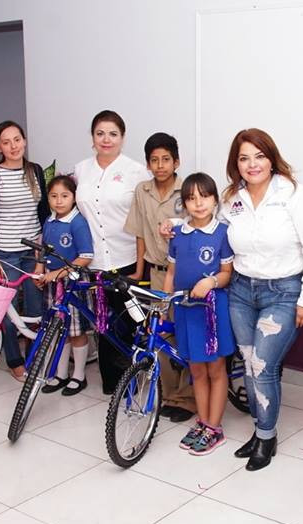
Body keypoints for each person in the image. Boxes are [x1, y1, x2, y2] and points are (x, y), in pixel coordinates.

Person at [223, 128, 303, 471]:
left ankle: (266, 437)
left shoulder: (293, 194)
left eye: (259, 156)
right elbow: (211, 226)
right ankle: (259, 430)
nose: (252, 164)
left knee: (262, 366)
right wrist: (176, 224)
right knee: (248, 363)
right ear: (236, 164)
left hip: (283, 293)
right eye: (244, 158)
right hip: (241, 291)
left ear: (271, 159)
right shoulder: (232, 198)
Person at [74, 110, 148, 394]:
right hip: (94, 261)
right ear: (92, 137)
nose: (106, 139)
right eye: (100, 133)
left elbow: (143, 221)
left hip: (128, 259)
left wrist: (140, 266)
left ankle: (131, 381)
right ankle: (111, 384)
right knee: (103, 323)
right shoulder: (81, 169)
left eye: (113, 134)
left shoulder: (136, 171)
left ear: (122, 138)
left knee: (128, 323)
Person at [124, 132, 195, 422]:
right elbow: (140, 231)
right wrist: (139, 270)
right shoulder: (142, 191)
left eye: (166, 159)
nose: (160, 165)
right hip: (156, 274)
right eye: (154, 160)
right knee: (161, 333)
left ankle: (187, 398)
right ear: (148, 164)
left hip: (186, 276)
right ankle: (169, 394)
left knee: (187, 334)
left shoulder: (188, 190)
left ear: (176, 162)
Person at [163, 173, 235, 455]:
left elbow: (227, 272)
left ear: (215, 200)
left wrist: (211, 282)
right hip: (184, 310)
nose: (199, 203)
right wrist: (165, 304)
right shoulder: (177, 234)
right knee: (195, 368)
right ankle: (203, 422)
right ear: (184, 204)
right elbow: (171, 272)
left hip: (212, 311)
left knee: (215, 369)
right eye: (191, 199)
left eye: (204, 197)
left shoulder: (222, 233)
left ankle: (215, 428)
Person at [0, 120, 48, 381]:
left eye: (17, 140)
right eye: (6, 142)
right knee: (6, 310)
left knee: (34, 308)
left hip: (33, 252)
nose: (13, 146)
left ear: (24, 141)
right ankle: (14, 359)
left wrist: (43, 252)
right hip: (5, 253)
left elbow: (43, 213)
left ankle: (32, 356)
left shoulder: (35, 171)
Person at [35, 175, 94, 396]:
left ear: (74, 197)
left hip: (72, 285)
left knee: (76, 331)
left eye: (64, 196)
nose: (59, 201)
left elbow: (85, 257)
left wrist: (58, 274)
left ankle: (79, 375)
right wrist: (40, 269)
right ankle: (61, 373)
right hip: (52, 283)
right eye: (53, 196)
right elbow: (43, 249)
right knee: (58, 329)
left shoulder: (77, 222)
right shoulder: (49, 220)